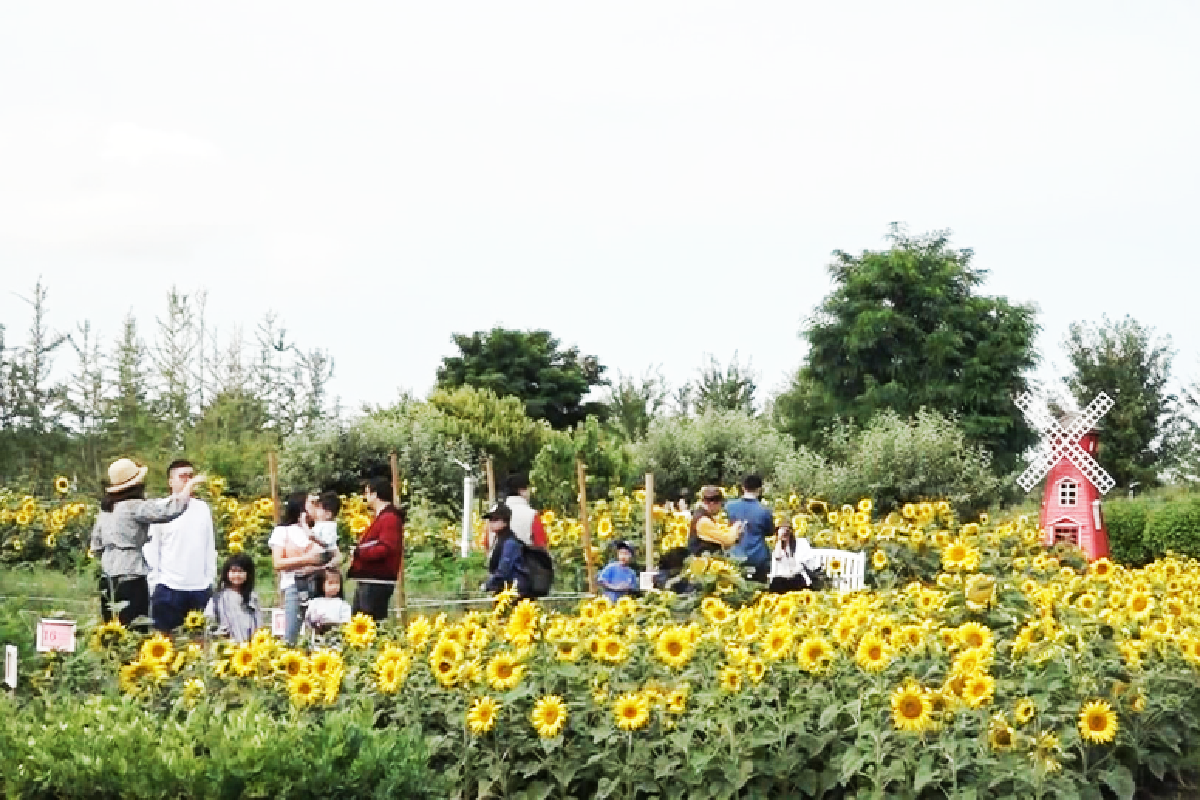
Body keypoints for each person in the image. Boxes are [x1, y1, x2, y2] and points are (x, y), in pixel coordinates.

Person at [89, 458, 207, 630]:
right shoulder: (134, 506)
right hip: (131, 575)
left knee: (112, 630)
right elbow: (169, 511)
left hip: (108, 576)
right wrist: (189, 488)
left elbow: (96, 546)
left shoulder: (107, 509)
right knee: (135, 628)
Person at [143, 459, 218, 632]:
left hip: (199, 588)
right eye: (183, 477)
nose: (189, 481)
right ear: (171, 482)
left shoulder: (202, 509)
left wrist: (209, 580)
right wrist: (155, 584)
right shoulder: (160, 508)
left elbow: (209, 546)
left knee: (197, 643)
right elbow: (152, 549)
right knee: (166, 643)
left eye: (191, 476)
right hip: (168, 588)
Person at [268, 492, 327, 644]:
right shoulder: (282, 531)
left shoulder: (317, 531)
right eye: (311, 504)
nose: (316, 508)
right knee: (291, 634)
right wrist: (307, 560)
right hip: (294, 585)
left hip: (319, 584)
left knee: (320, 634)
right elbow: (278, 563)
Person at [347, 476, 404, 622]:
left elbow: (385, 548)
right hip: (369, 580)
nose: (365, 497)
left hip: (377, 581)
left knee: (370, 624)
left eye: (367, 493)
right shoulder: (382, 517)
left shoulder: (389, 518)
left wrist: (360, 552)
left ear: (375, 494)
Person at [725, 474, 774, 583]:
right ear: (759, 489)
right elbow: (770, 532)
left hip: (735, 556)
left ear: (743, 488)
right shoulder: (764, 510)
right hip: (758, 557)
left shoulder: (729, 507)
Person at [204, 553, 261, 642]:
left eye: (241, 571)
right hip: (226, 648)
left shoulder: (252, 598)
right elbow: (209, 625)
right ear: (227, 573)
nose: (237, 575)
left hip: (250, 649)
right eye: (233, 571)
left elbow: (259, 625)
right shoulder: (218, 599)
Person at [483, 503, 532, 597]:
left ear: (506, 521)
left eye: (495, 519)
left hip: (515, 593)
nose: (491, 523)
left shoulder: (510, 543)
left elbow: (503, 570)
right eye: (490, 520)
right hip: (506, 591)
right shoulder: (500, 539)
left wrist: (487, 585)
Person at [687, 486, 741, 556]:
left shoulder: (703, 516)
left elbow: (721, 540)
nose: (720, 508)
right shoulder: (703, 521)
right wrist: (736, 526)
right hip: (702, 563)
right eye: (720, 504)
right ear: (712, 503)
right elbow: (727, 540)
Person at [502, 472, 547, 548]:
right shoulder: (531, 515)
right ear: (522, 491)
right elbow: (541, 544)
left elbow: (487, 544)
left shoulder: (493, 512)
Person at [304, 567, 352, 635]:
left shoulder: (343, 605)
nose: (334, 586)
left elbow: (346, 623)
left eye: (337, 583)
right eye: (330, 583)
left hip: (336, 636)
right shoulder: (314, 603)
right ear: (322, 584)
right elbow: (308, 621)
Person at [768, 524, 808, 593]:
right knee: (777, 582)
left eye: (786, 533)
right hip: (781, 579)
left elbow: (800, 564)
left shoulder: (798, 544)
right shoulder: (777, 547)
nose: (785, 536)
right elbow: (778, 556)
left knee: (798, 580)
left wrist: (788, 544)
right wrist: (780, 540)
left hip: (796, 577)